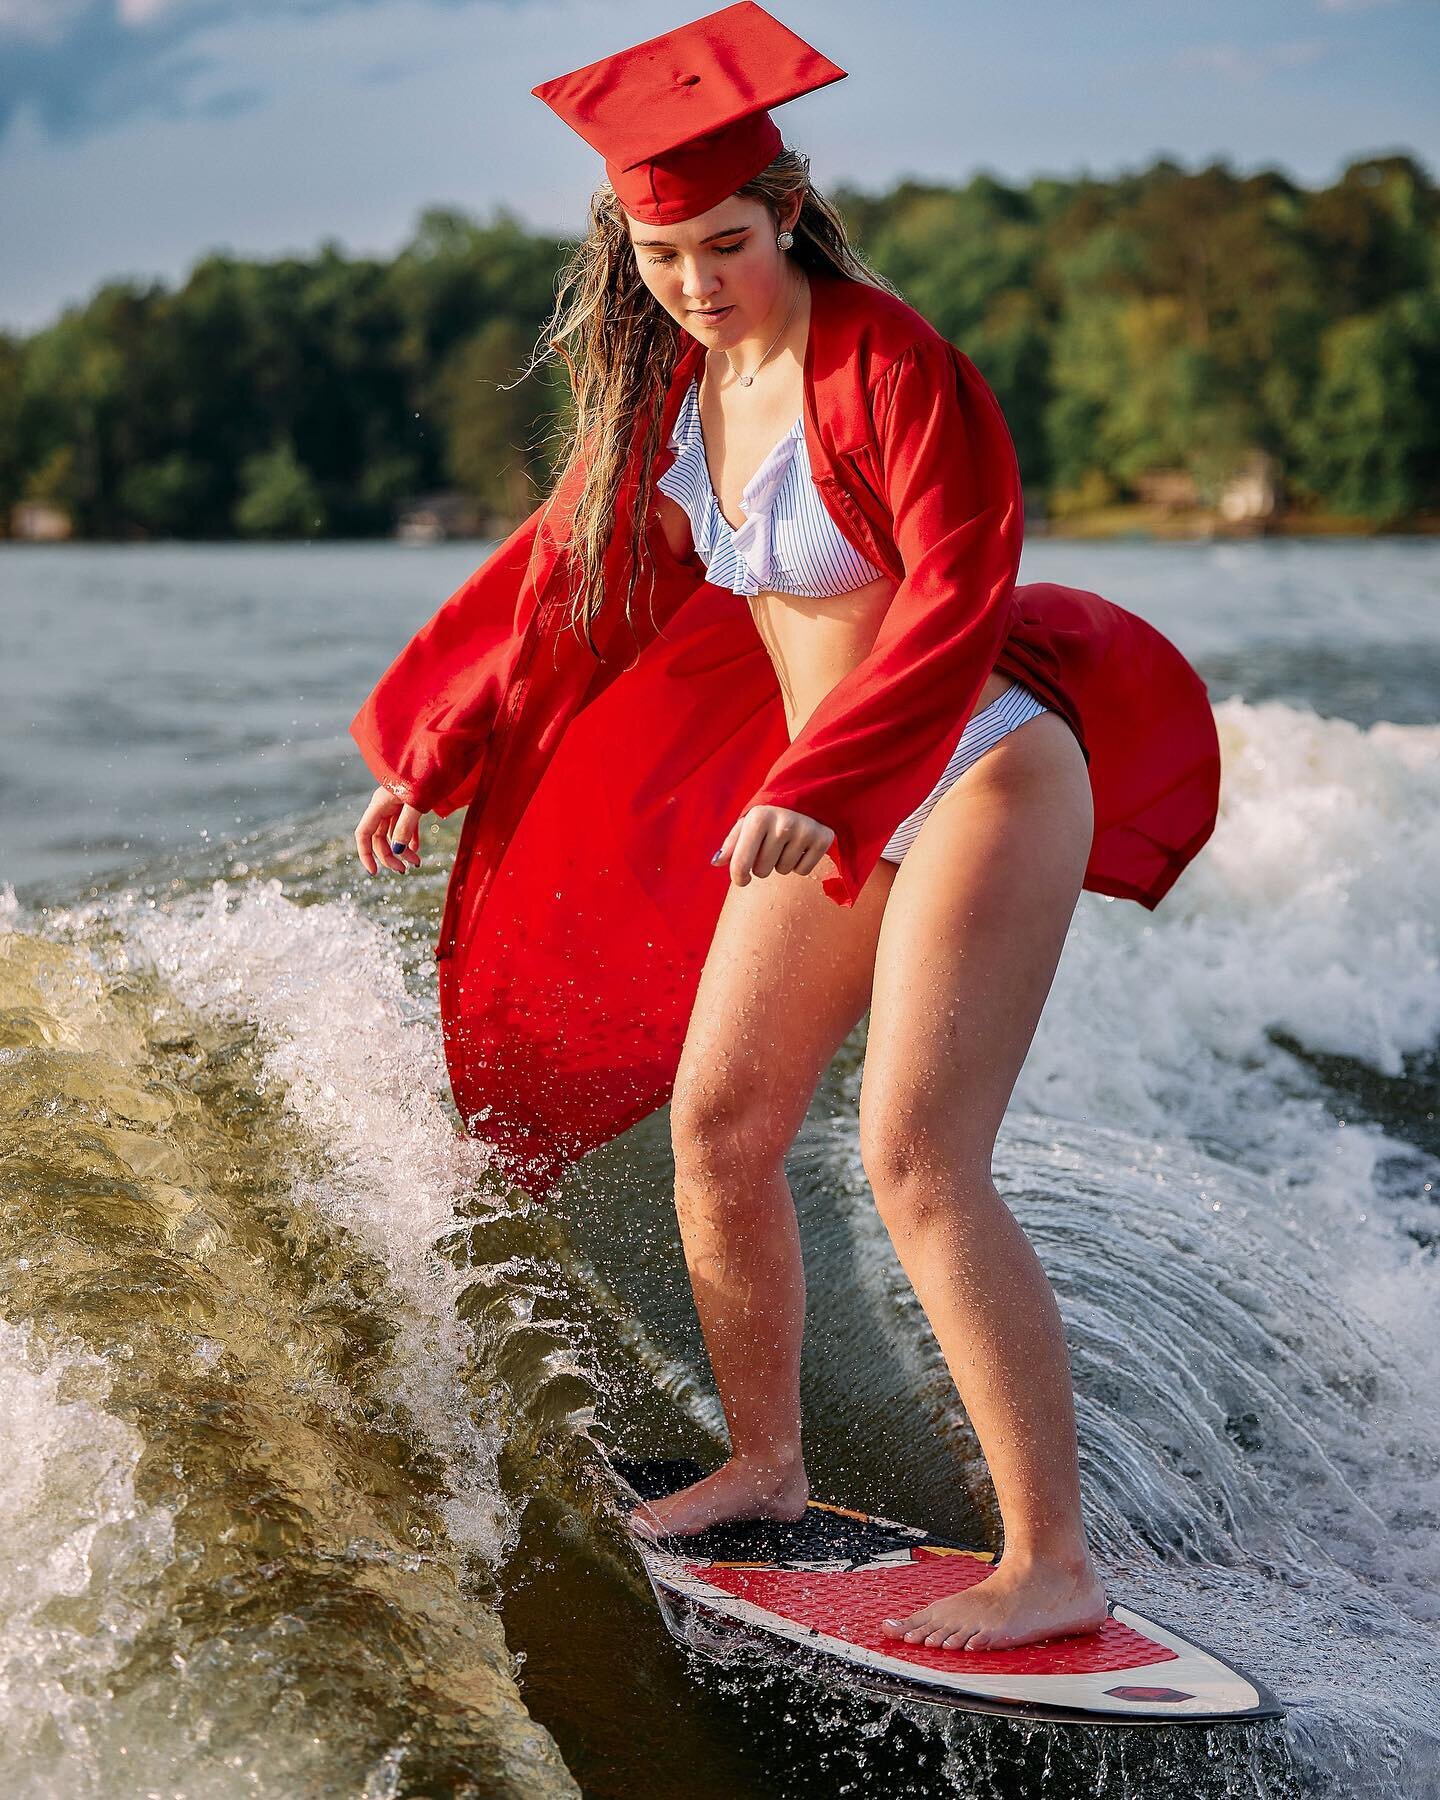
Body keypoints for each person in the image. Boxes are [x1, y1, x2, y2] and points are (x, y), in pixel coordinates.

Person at [350, 3, 1221, 1655]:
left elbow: (959, 600)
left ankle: (1053, 1559)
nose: (698, 279)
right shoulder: (678, 391)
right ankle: (765, 1464)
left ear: (789, 211)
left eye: (727, 243)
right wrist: (442, 746)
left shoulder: (889, 365)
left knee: (915, 1160)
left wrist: (825, 781)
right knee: (720, 1128)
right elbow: (570, 591)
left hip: (971, 775)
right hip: (833, 797)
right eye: (664, 251)